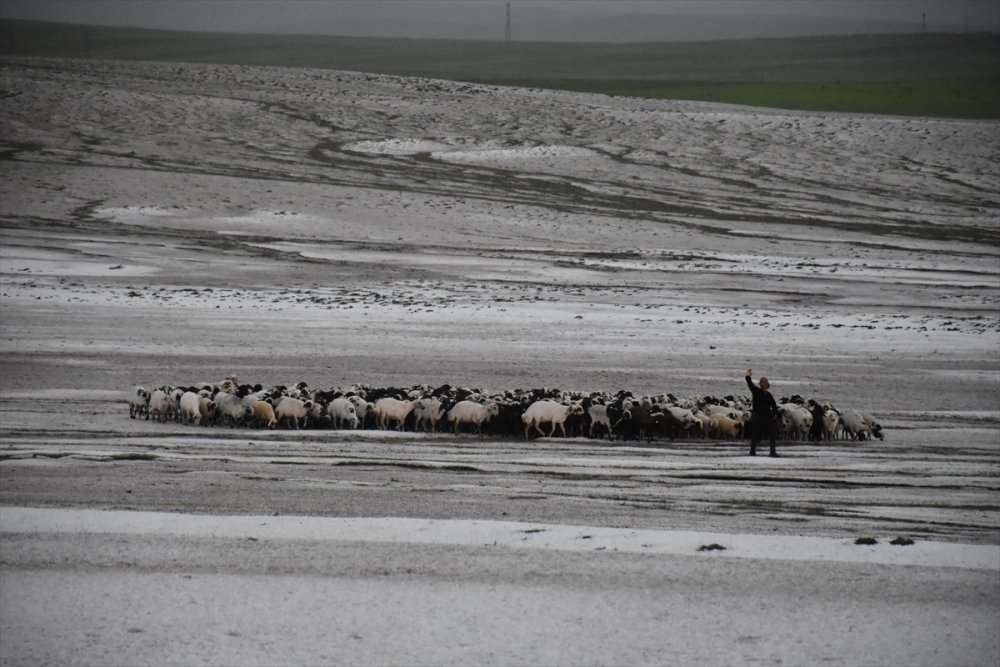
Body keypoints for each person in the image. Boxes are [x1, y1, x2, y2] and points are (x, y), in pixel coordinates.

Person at [745, 368, 780, 457]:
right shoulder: (756, 391)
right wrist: (748, 376)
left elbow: (774, 405)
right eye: (763, 382)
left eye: (766, 382)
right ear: (760, 384)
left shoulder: (768, 395)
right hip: (757, 416)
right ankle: (752, 452)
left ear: (767, 385)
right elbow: (750, 384)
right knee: (755, 434)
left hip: (767, 417)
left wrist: (775, 414)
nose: (765, 384)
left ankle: (772, 452)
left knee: (772, 432)